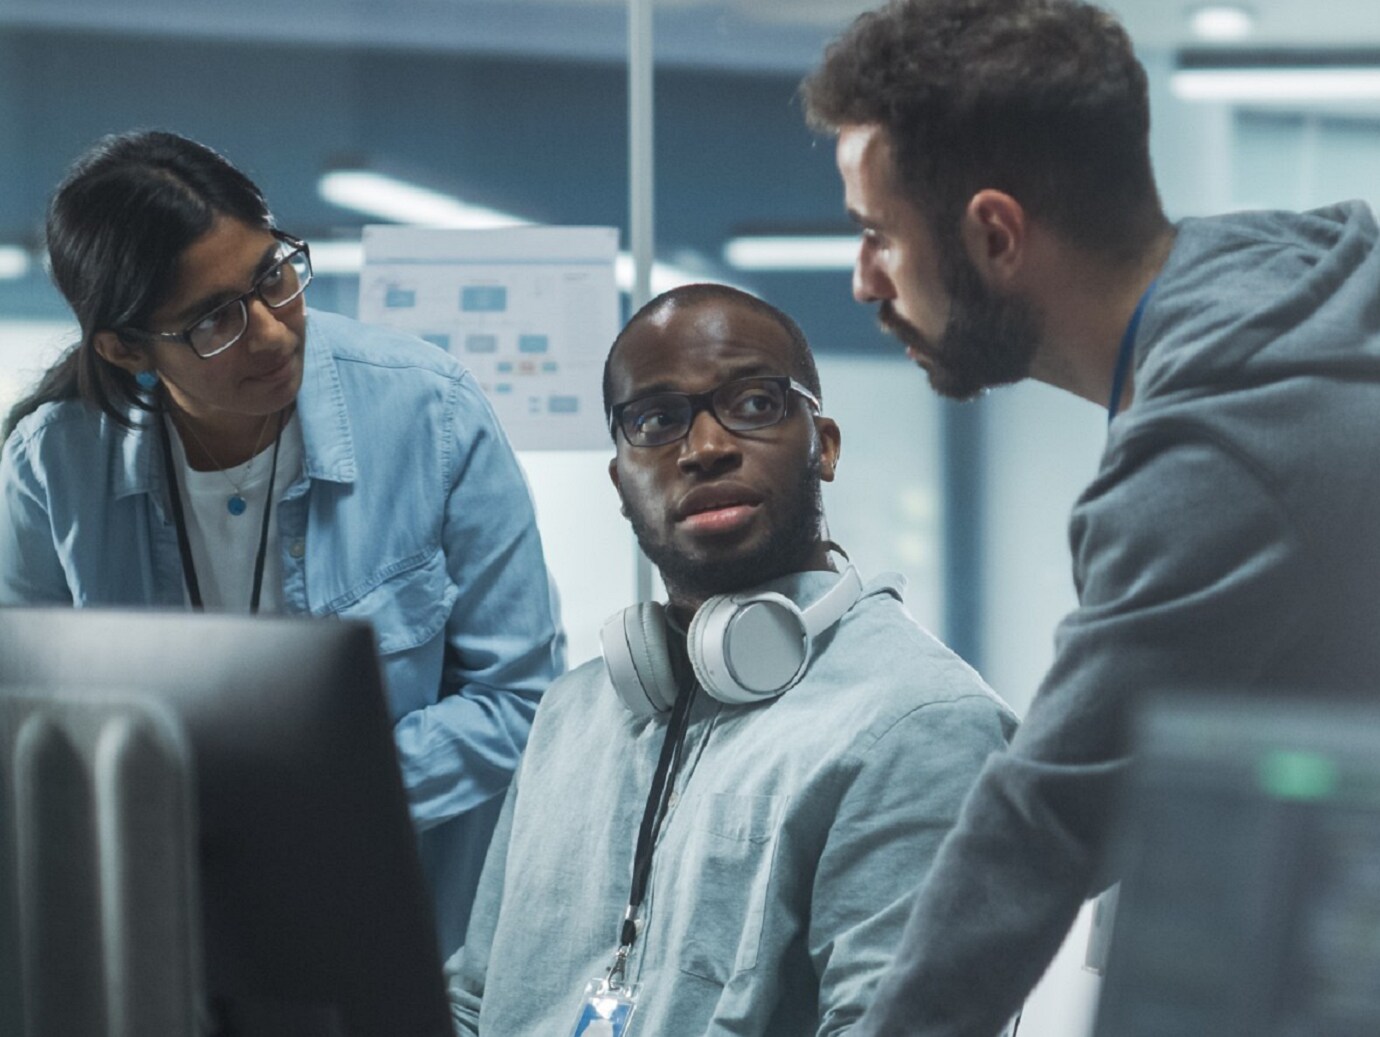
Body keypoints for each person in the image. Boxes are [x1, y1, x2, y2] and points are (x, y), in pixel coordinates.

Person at [801, 0, 1380, 1033]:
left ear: (994, 233)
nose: (861, 280)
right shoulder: (1291, 300)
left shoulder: (1222, 450)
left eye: (878, 234)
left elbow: (1045, 818)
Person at [0, 129, 566, 957]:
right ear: (126, 348)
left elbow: (523, 702)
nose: (270, 331)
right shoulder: (53, 469)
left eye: (273, 275)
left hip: (402, 935)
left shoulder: (428, 411)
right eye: (212, 321)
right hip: (158, 945)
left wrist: (298, 790)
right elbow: (24, 735)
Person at [445, 283, 1016, 1036]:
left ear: (826, 444)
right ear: (620, 481)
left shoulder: (921, 722)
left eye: (754, 404)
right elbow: (472, 1000)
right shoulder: (573, 713)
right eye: (656, 419)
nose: (706, 447)